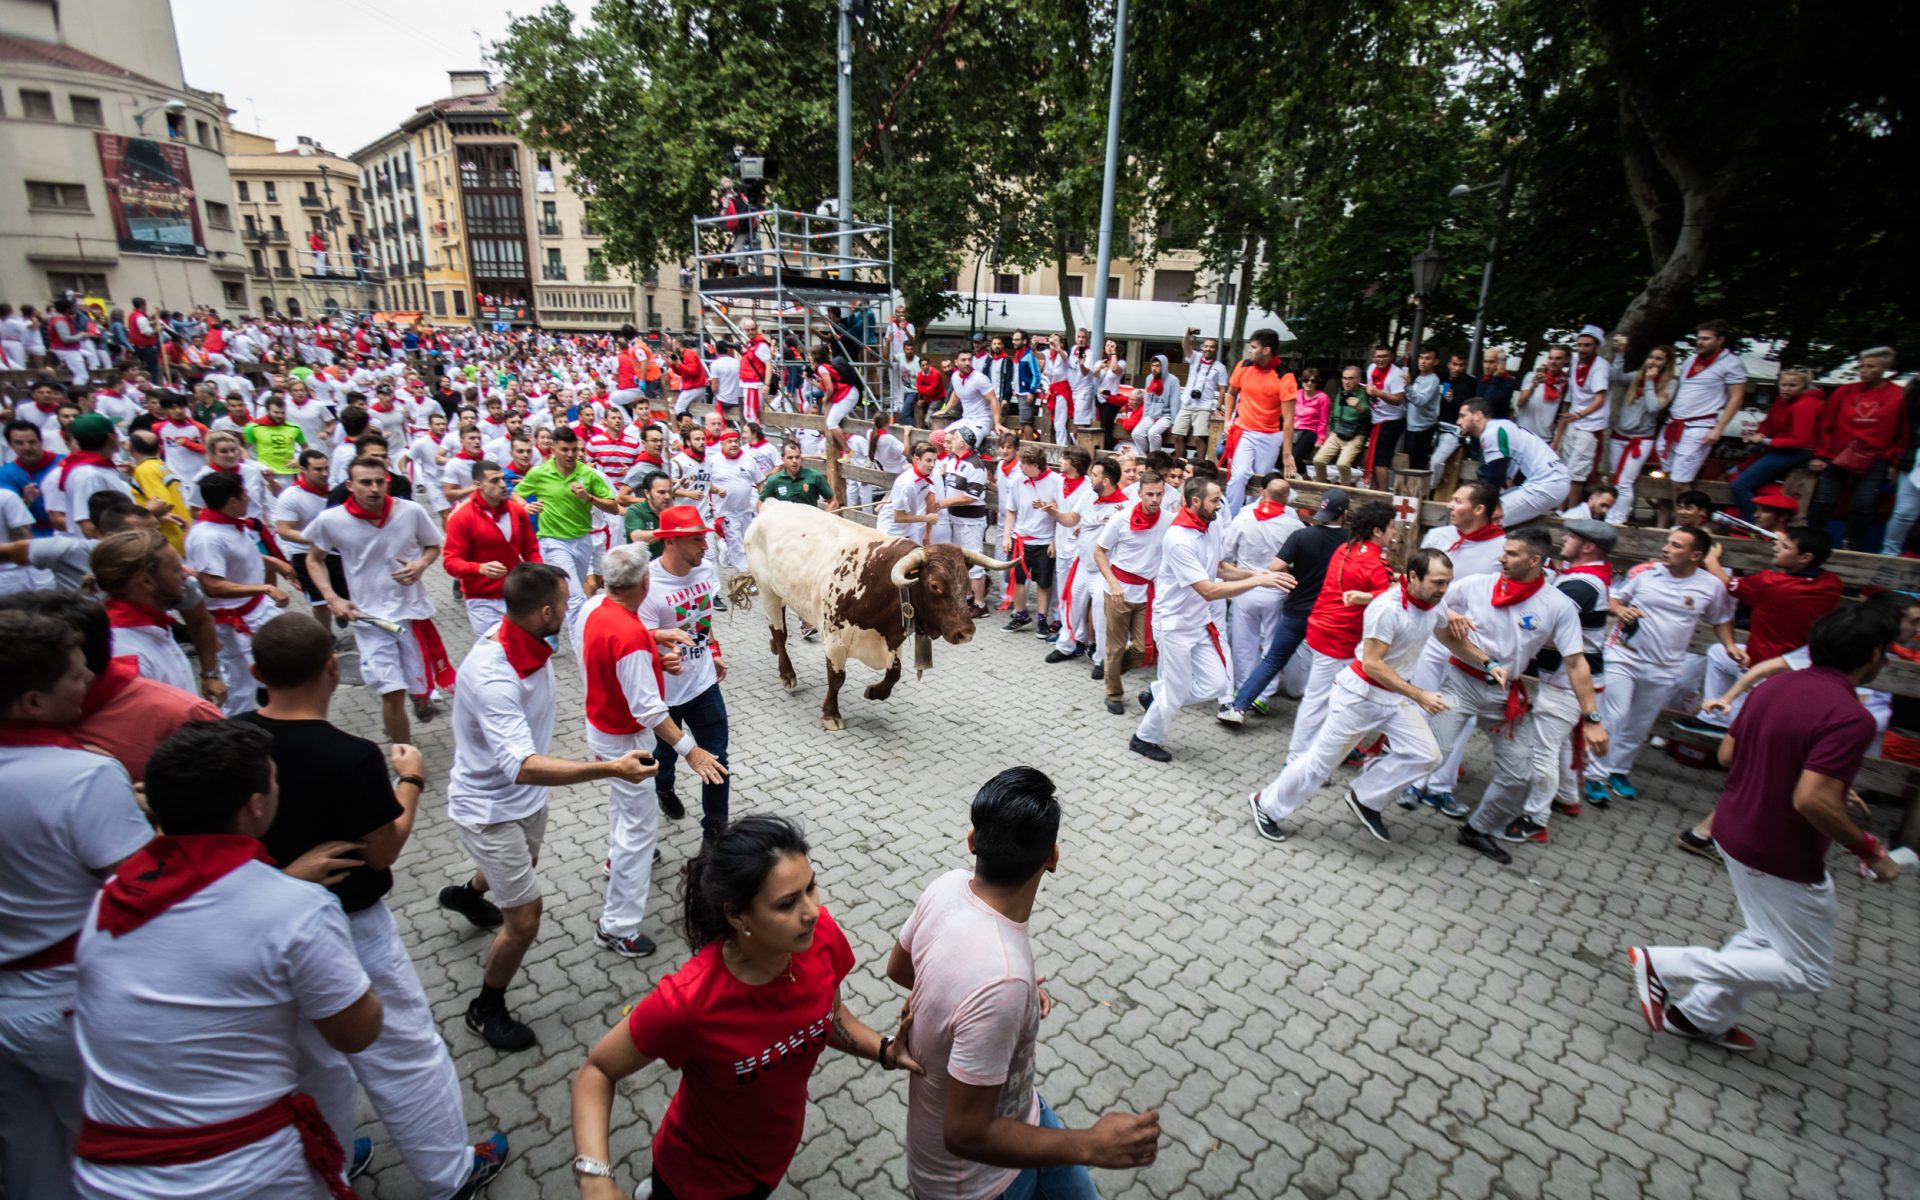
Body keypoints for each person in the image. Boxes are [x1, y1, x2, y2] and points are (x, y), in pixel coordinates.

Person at [241, 616, 510, 1199]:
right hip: (351, 927)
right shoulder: (351, 756)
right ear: (333, 668)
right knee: (404, 1052)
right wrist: (410, 780)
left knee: (312, 1059)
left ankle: (330, 1161)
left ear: (256, 671)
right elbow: (383, 850)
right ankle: (450, 1174)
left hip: (260, 925)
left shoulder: (234, 742)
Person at [73, 720, 383, 1200]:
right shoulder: (296, 909)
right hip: (242, 1173)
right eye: (274, 780)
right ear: (255, 806)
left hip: (108, 1173)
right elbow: (357, 1033)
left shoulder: (115, 896)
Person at [567, 815, 918, 1199]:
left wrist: (884, 1049)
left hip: (771, 1160)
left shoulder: (820, 937)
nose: (812, 911)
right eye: (787, 903)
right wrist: (595, 1178)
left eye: (811, 887)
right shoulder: (687, 1003)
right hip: (698, 1180)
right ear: (736, 915)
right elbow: (597, 1072)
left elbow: (829, 1016)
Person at [1627, 605, 1900, 1054]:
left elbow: (1728, 755)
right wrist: (1871, 850)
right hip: (1780, 850)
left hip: (1734, 830)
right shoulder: (1852, 717)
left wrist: (1819, 776)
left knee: (1764, 937)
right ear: (1874, 654)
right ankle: (1667, 964)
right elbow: (1811, 800)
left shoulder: (1774, 685)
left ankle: (1696, 1017)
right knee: (1807, 970)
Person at [888, 768, 1161, 1198]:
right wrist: (1091, 1144)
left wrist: (1005, 996)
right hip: (980, 1182)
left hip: (1023, 1113)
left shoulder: (947, 887)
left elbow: (900, 969)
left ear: (972, 841)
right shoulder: (1004, 981)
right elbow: (965, 1134)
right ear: (1052, 858)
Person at [444, 563, 654, 1051]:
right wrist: (610, 768)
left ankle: (467, 895)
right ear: (544, 612)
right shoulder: (494, 675)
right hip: (489, 809)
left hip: (524, 801)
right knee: (524, 918)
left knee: (524, 864)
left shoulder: (531, 643)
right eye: (564, 601)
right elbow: (522, 766)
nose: (571, 606)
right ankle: (485, 1007)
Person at [0, 611, 153, 1200]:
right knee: (121, 1149)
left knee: (30, 1156)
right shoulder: (81, 776)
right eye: (74, 673)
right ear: (34, 701)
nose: (89, 675)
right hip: (65, 996)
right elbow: (142, 886)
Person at [1249, 549, 1462, 844]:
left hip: (1392, 699)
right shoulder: (1388, 608)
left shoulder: (1433, 604)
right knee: (1320, 765)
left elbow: (1449, 637)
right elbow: (1373, 664)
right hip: (1359, 697)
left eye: (1447, 582)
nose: (1444, 589)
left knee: (1426, 754)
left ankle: (1366, 796)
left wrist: (1487, 663)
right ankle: (1266, 804)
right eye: (1438, 582)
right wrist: (1420, 695)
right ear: (1413, 577)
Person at [579, 545, 727, 959]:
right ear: (645, 582)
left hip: (601, 728)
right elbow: (650, 711)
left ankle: (615, 860)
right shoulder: (628, 636)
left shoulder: (594, 609)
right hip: (625, 739)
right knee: (639, 831)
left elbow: (613, 648)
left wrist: (654, 640)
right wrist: (691, 751)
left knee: (622, 807)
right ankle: (617, 926)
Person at [1425, 528, 1608, 864]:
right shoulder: (1478, 584)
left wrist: (1592, 718)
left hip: (1503, 695)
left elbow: (1576, 663)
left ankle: (1477, 829)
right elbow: (1431, 599)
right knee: (1429, 752)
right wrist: (1448, 613)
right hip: (1461, 683)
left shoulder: (1558, 605)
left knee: (1520, 772)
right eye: (1504, 551)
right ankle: (1367, 796)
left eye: (1511, 554)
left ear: (1535, 560)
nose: (1502, 558)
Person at [1129, 478, 1289, 762]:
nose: (1220, 505)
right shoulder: (1178, 538)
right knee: (1177, 689)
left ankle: (1157, 693)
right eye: (1215, 500)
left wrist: (1258, 574)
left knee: (1216, 684)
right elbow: (1208, 590)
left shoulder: (1212, 525)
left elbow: (1221, 569)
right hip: (1173, 624)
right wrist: (1259, 581)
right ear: (1195, 502)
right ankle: (1144, 737)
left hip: (1198, 621)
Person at [1582, 526, 1738, 806]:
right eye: (1667, 543)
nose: (1666, 549)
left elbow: (1721, 618)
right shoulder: (1645, 573)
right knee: (1614, 716)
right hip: (1624, 655)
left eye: (1676, 545)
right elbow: (1614, 598)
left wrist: (1729, 645)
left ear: (1695, 555)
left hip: (1665, 666)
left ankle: (1618, 771)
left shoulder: (1710, 586)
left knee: (1639, 724)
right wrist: (1620, 610)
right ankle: (1594, 775)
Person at [302, 459, 452, 741]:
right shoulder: (331, 520)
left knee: (418, 686)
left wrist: (420, 565)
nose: (374, 488)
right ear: (350, 485)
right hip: (369, 619)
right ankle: (404, 753)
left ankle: (420, 698)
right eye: (365, 482)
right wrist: (332, 598)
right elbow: (313, 559)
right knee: (391, 692)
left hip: (411, 614)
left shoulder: (410, 511)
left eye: (379, 482)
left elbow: (433, 546)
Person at [1503, 519, 1618, 839]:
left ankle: (1535, 819)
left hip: (1567, 679)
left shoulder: (1582, 584)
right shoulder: (1582, 577)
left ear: (1588, 547)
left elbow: (1541, 621)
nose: (1564, 539)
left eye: (1572, 537)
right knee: (1561, 742)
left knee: (1544, 749)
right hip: (1567, 676)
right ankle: (1567, 798)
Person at [1677, 526, 1842, 737]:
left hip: (1763, 665)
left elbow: (1728, 584)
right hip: (1799, 665)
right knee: (1718, 653)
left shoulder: (1771, 583)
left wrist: (1711, 561)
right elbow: (1804, 567)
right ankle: (1717, 719)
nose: (1776, 548)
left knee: (1746, 726)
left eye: (1784, 547)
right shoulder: (1832, 584)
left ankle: (1723, 722)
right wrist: (1788, 542)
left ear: (1805, 558)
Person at [1218, 488, 1355, 722]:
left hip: (1297, 609)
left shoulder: (1302, 535)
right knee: (1328, 663)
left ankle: (1238, 707)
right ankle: (1329, 718)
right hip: (1329, 612)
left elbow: (1276, 566)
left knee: (1273, 658)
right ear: (1345, 513)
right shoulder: (1351, 542)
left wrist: (1295, 570)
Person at [641, 506, 734, 836]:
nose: (705, 546)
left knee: (717, 759)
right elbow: (638, 640)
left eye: (704, 538)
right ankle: (664, 788)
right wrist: (660, 659)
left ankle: (715, 834)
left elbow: (702, 618)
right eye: (696, 540)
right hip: (664, 695)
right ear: (670, 542)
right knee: (663, 757)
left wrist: (713, 651)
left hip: (703, 684)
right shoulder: (648, 585)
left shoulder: (705, 568)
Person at [185, 469, 294, 714]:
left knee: (281, 664)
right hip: (234, 624)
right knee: (240, 687)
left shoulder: (231, 525)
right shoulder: (207, 538)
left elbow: (237, 557)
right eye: (244, 493)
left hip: (256, 610)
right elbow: (212, 585)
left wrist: (272, 562)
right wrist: (265, 588)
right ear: (232, 502)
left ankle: (275, 709)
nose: (249, 497)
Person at [514, 426, 619, 636]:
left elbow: (613, 507)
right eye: (564, 450)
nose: (570, 454)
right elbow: (517, 493)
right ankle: (581, 643)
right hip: (553, 541)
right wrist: (525, 506)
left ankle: (548, 627)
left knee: (567, 593)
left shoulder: (588, 474)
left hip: (582, 540)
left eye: (574, 449)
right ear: (553, 449)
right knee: (576, 597)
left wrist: (589, 498)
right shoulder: (540, 473)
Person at [1806, 346, 1906, 551]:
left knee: (1863, 505)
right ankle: (1812, 544)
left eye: (1871, 366)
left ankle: (1853, 547)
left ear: (1884, 368)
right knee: (1823, 501)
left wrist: (1893, 461)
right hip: (1838, 454)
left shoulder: (1898, 395)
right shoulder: (1844, 391)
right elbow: (1826, 424)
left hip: (1875, 458)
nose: (1864, 370)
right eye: (1862, 366)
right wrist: (1821, 455)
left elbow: (1902, 432)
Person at [1093, 469, 1174, 713]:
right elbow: (1099, 552)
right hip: (1118, 591)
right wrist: (1113, 583)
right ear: (1139, 493)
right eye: (1150, 494)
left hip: (1147, 593)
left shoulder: (1169, 520)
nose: (1155, 499)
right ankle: (1113, 694)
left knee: (1142, 648)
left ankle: (1111, 671)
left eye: (1159, 494)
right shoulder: (1121, 519)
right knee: (1115, 647)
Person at [1046, 454, 1131, 665]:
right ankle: (1065, 646)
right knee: (1072, 605)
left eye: (1094, 475)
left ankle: (1101, 660)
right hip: (1083, 565)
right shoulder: (1088, 495)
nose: (1090, 478)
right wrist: (1054, 513)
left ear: (1106, 481)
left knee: (1101, 615)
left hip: (1105, 570)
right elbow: (1071, 519)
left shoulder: (1125, 507)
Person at [443, 461, 543, 637]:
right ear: (478, 485)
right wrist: (479, 568)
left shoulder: (517, 511)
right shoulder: (462, 517)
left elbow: (531, 550)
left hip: (517, 594)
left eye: (503, 479)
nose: (503, 485)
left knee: (525, 646)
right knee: (494, 649)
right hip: (482, 599)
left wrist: (539, 576)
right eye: (495, 480)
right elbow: (451, 562)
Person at [1218, 329, 1297, 514]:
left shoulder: (1285, 376)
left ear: (1266, 350)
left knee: (1261, 479)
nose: (1250, 350)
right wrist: (1227, 419)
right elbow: (1231, 393)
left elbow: (1288, 419)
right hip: (1244, 430)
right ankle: (1230, 518)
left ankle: (1251, 516)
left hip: (1271, 435)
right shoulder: (1243, 366)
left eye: (1253, 347)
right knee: (1239, 475)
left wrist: (1287, 454)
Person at [1455, 399, 1569, 527]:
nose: (1458, 422)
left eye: (1463, 416)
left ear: (1478, 415)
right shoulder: (1500, 426)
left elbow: (1495, 478)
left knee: (1481, 518)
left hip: (1547, 484)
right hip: (1551, 481)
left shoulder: (1492, 432)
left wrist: (1492, 505)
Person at [1728, 366, 1822, 521]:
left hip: (1796, 451)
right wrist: (1760, 434)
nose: (1786, 389)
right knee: (1738, 472)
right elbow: (1769, 423)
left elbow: (1800, 440)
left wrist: (1766, 440)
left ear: (1804, 386)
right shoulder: (1782, 400)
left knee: (1739, 486)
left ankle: (1756, 524)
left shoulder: (1807, 405)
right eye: (1783, 384)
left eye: (1793, 385)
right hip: (1778, 447)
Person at [43, 414, 133, 538]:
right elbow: (89, 527)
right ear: (111, 437)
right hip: (109, 547)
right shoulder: (87, 474)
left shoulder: (97, 468)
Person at [1174, 330, 1229, 461]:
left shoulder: (1220, 367)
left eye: (1212, 347)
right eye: (1206, 346)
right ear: (1202, 347)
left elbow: (1222, 389)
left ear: (1216, 349)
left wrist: (1218, 407)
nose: (1208, 349)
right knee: (1177, 435)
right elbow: (1185, 346)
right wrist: (1188, 334)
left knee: (1199, 438)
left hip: (1204, 406)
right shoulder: (1196, 358)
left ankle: (1200, 463)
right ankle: (1180, 463)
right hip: (1187, 402)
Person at [1512, 345, 1568, 443]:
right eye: (1550, 358)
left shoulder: (1565, 383)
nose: (1553, 361)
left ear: (1565, 360)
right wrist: (1533, 386)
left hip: (1545, 438)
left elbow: (1563, 415)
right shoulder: (1531, 376)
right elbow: (1520, 403)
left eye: (1558, 358)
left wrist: (1556, 441)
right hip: (1523, 433)